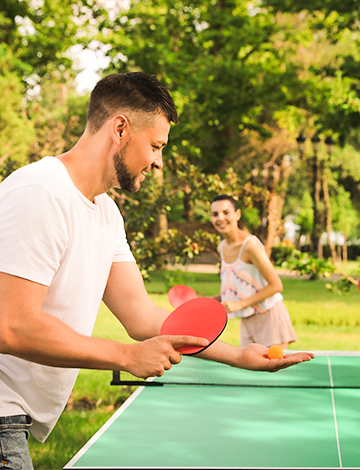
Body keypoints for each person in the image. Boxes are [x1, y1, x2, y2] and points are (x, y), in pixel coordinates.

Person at [0, 72, 314, 468]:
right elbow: (10, 325)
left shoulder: (106, 213)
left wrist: (237, 355)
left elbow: (142, 315)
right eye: (155, 146)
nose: (158, 162)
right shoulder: (41, 193)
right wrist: (126, 357)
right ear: (119, 128)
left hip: (13, 418)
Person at [210, 195, 297, 350]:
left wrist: (240, 304)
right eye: (215, 214)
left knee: (273, 372)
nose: (220, 218)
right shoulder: (222, 247)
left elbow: (276, 285)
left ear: (237, 214)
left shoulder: (250, 246)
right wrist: (209, 301)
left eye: (225, 212)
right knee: (250, 372)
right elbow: (237, 289)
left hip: (269, 317)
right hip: (247, 320)